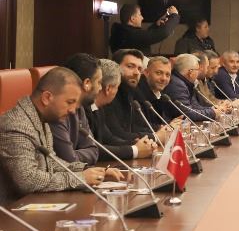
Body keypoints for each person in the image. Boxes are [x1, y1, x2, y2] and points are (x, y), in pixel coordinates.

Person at [0, 67, 124, 201]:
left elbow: (51, 163)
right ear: (47, 97)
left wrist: (90, 171)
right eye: (69, 102)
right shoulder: (17, 125)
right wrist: (80, 178)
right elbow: (27, 180)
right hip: (14, 209)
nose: (72, 110)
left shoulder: (41, 118)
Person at [90, 59, 157, 161]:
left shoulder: (98, 108)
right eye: (130, 66)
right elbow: (92, 149)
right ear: (108, 89)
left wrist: (140, 145)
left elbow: (108, 138)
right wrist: (135, 150)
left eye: (139, 68)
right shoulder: (84, 108)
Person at [107, 49, 171, 145]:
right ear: (115, 67)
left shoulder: (129, 92)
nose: (136, 73)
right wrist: (155, 136)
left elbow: (134, 126)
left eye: (139, 69)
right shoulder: (108, 95)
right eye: (130, 66)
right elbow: (116, 134)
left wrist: (159, 129)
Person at [50, 53, 101, 165]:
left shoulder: (79, 108)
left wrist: (74, 155)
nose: (100, 88)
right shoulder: (56, 111)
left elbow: (94, 150)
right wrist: (74, 156)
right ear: (87, 83)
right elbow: (68, 159)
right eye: (99, 82)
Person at [163, 54, 223, 122]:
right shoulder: (177, 85)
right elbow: (188, 114)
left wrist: (213, 109)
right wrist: (212, 112)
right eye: (197, 69)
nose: (199, 72)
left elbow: (195, 106)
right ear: (190, 72)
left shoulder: (185, 83)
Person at [109, 3, 180, 55]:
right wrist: (175, 15)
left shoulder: (124, 33)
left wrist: (156, 24)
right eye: (140, 15)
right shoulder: (131, 35)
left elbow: (144, 35)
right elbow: (164, 32)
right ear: (132, 18)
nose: (142, 18)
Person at [137, 56, 177, 124]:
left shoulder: (163, 95)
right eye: (159, 73)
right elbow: (141, 125)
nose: (164, 78)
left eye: (167, 75)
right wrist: (169, 126)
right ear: (146, 72)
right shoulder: (137, 95)